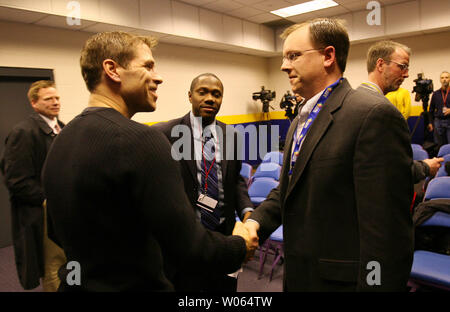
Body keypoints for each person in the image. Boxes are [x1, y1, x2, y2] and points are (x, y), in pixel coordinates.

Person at [41, 31, 253, 291]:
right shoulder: (143, 139)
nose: (158, 77)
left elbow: (55, 231)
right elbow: (190, 248)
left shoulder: (61, 139)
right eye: (148, 66)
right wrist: (241, 245)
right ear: (113, 70)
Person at [244, 18, 414, 291]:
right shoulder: (301, 119)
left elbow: (387, 236)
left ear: (328, 56)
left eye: (293, 55)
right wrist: (255, 222)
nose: (283, 65)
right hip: (301, 276)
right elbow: (289, 190)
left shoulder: (372, 115)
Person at [152, 73, 254, 291]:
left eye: (216, 94)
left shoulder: (232, 135)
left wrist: (247, 213)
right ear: (190, 96)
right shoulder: (165, 134)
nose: (210, 98)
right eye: (203, 92)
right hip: (185, 242)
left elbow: (235, 181)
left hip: (224, 239)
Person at [0, 80, 66, 291]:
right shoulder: (24, 133)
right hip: (43, 213)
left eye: (56, 98)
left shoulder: (62, 128)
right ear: (34, 103)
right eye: (48, 99)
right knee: (52, 267)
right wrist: (47, 199)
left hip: (65, 210)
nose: (55, 102)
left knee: (69, 261)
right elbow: (16, 181)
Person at [358, 40, 443, 182]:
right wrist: (426, 167)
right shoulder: (384, 110)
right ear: (380, 64)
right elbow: (395, 170)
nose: (406, 74)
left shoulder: (350, 100)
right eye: (402, 67)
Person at [428, 71, 450, 148]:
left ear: (449, 79)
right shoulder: (435, 94)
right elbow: (431, 110)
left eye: (446, 77)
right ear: (440, 80)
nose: (444, 79)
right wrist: (430, 122)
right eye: (442, 78)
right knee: (439, 145)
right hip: (438, 122)